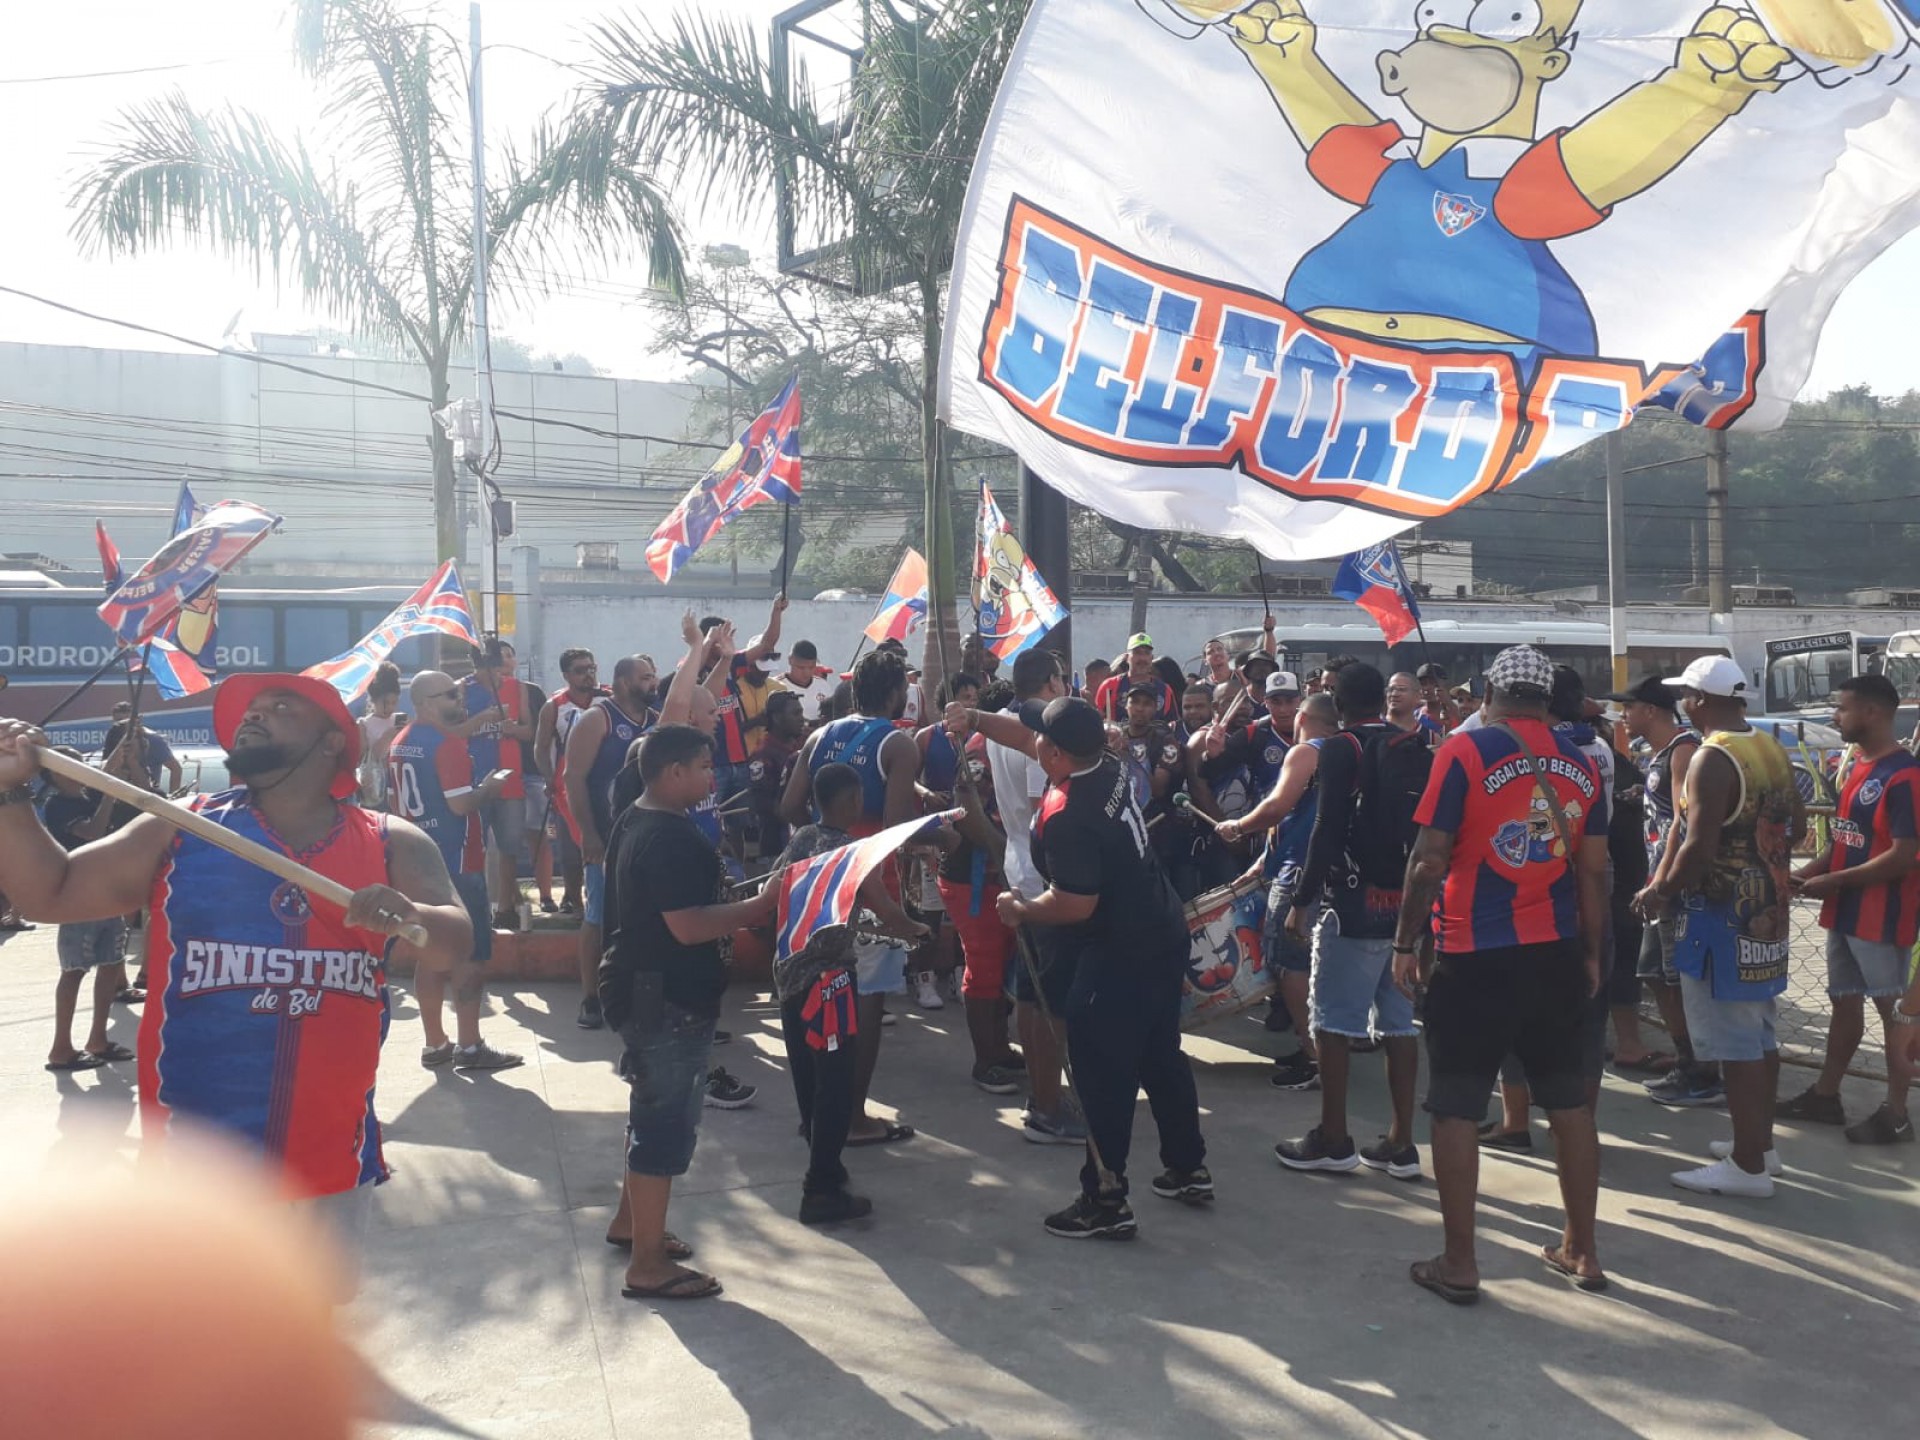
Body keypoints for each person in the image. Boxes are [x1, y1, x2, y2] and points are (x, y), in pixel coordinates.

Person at [0, 676, 475, 1237]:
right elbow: (51, 893)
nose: (254, 715)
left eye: (279, 707)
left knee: (312, 1323)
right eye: (251, 709)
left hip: (331, 1162)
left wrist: (413, 917)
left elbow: (455, 943)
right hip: (193, 1173)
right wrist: (10, 794)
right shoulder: (180, 827)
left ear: (331, 743)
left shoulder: (391, 839)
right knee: (201, 1325)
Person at [1393, 645, 1610, 1303]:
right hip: (1556, 951)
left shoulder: (1462, 754)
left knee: (1456, 1106)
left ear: (1490, 691)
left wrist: (1406, 942)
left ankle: (1461, 1262)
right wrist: (1593, 953)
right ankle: (1582, 1248)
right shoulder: (1581, 763)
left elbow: (1431, 861)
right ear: (1546, 701)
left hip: (1473, 955)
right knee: (1570, 1104)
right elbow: (1592, 870)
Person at [987, 697, 1209, 1240]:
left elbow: (1074, 904)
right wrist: (973, 722)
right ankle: (1187, 1167)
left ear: (1057, 753)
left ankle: (1105, 1196)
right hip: (1160, 928)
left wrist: (1021, 910)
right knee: (1161, 1054)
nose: (1031, 740)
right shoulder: (1105, 765)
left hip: (1119, 952)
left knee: (1101, 1074)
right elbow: (1023, 738)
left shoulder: (1069, 816)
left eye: (1042, 738)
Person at [597, 725, 775, 1299]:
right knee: (664, 1126)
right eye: (702, 767)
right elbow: (689, 924)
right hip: (666, 997)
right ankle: (648, 1265)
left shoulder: (635, 813)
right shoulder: (668, 836)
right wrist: (761, 905)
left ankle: (631, 1224)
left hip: (644, 988)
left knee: (648, 1111)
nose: (710, 777)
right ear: (673, 773)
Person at [1639, 655, 1802, 1198]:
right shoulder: (1767, 747)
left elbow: (1698, 847)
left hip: (1721, 920)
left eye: (1685, 694)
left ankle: (1748, 1166)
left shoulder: (1712, 758)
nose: (1682, 702)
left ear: (1701, 699)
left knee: (1736, 1048)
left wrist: (1659, 893)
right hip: (1767, 918)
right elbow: (1797, 826)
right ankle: (1761, 1146)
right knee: (1760, 1035)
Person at [1277, 664, 1429, 1179]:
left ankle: (1333, 1138)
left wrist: (1303, 898)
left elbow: (1328, 825)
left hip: (1354, 901)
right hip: (1405, 907)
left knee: (1333, 1022)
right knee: (1398, 1024)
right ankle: (1401, 1142)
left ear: (1338, 706)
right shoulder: (1412, 744)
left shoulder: (1342, 749)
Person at [770, 763, 930, 1223]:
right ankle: (820, 1189)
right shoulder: (850, 852)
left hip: (789, 974)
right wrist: (916, 929)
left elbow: (775, 892)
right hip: (830, 982)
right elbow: (885, 908)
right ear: (853, 801)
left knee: (806, 1074)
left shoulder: (800, 839)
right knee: (837, 1081)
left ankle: (825, 1161)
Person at [780, 648, 923, 1145]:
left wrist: (825, 843)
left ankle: (815, 1111)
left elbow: (788, 805)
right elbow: (896, 830)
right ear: (895, 693)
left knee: (816, 990)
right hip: (869, 883)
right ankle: (853, 1117)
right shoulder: (898, 745)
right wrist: (942, 835)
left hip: (815, 880)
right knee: (864, 998)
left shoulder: (820, 735)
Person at [1781, 673, 1920, 1144]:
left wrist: (1830, 881)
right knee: (1844, 1003)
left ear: (1873, 712)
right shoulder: (1859, 765)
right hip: (1845, 911)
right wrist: (1806, 874)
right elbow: (1845, 842)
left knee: (1895, 1014)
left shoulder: (1904, 776)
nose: (1835, 716)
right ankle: (1825, 1095)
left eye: (1842, 708)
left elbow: (1903, 856)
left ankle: (1897, 1113)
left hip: (1881, 915)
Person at [963, 649, 1087, 1144]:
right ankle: (1048, 1103)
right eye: (1061, 680)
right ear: (1052, 684)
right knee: (1047, 999)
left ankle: (1045, 1097)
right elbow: (1046, 810)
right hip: (1041, 870)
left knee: (1035, 992)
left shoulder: (1001, 723)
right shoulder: (1041, 733)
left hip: (1021, 864)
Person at [388, 672, 524, 1072]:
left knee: (429, 955)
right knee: (469, 956)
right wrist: (490, 788)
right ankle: (469, 1046)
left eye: (458, 692)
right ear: (426, 702)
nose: (459, 698)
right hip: (458, 863)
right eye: (450, 694)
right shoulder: (446, 744)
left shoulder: (400, 741)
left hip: (417, 863)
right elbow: (461, 807)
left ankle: (435, 1044)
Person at [1218, 692, 1338, 1091]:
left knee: (1289, 963)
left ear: (1303, 716)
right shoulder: (1346, 751)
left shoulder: (1304, 752)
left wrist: (1238, 827)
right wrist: (1260, 865)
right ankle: (1319, 1050)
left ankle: (1314, 1056)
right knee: (1314, 964)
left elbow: (1276, 808)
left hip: (1297, 873)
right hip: (1325, 871)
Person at [1609, 675, 1715, 1106]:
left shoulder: (1682, 751)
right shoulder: (1660, 755)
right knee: (1656, 973)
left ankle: (1702, 1071)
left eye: (1629, 709)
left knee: (1674, 976)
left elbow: (1682, 822)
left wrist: (1661, 884)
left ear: (1650, 710)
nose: (1624, 717)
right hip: (1660, 881)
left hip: (1672, 886)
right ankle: (1688, 1061)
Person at [563, 654, 659, 1030]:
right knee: (597, 916)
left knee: (640, 919)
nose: (652, 683)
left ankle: (634, 994)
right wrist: (588, 834)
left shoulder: (655, 722)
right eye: (645, 677)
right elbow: (573, 779)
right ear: (621, 682)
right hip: (605, 838)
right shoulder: (597, 719)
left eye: (653, 677)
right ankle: (590, 997)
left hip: (646, 840)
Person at [40, 749, 130, 1072]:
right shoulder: (58, 805)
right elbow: (92, 832)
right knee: (75, 970)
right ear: (55, 772)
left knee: (110, 964)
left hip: (108, 895)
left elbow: (108, 769)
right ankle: (61, 1047)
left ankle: (98, 1040)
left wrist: (124, 749)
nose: (81, 766)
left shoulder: (88, 794)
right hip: (80, 898)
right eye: (72, 762)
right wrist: (107, 795)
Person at [458, 639, 534, 931]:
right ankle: (476, 906)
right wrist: (481, 719)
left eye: (500, 670)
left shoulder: (518, 688)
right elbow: (452, 731)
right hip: (475, 778)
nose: (497, 677)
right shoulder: (462, 688)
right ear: (478, 667)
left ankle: (505, 907)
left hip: (510, 778)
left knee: (510, 847)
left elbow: (530, 731)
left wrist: (515, 729)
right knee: (474, 847)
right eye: (491, 671)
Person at [706, 598, 787, 831]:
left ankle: (739, 868)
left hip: (739, 763)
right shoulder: (692, 670)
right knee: (713, 825)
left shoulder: (732, 664)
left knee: (742, 826)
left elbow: (767, 644)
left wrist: (776, 611)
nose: (729, 641)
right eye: (723, 637)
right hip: (713, 765)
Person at [535, 647, 604, 918]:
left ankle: (600, 896)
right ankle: (573, 898)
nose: (588, 675)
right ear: (566, 675)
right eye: (580, 670)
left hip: (603, 778)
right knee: (571, 846)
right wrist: (548, 777)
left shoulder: (607, 699)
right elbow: (540, 748)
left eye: (591, 668)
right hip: (568, 782)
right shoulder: (554, 706)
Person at [501, 643, 557, 915]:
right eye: (498, 656)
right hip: (500, 775)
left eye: (509, 654)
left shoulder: (532, 691)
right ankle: (510, 898)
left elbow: (542, 732)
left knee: (538, 836)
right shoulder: (484, 691)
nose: (504, 660)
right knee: (504, 843)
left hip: (531, 772)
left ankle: (546, 896)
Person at [742, 690, 809, 871]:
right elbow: (764, 805)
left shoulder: (801, 746)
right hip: (777, 849)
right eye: (796, 714)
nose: (802, 719)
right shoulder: (763, 755)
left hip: (801, 840)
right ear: (778, 718)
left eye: (801, 713)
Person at [103, 699, 183, 794]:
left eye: (127, 722)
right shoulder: (113, 738)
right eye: (119, 722)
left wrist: (173, 798)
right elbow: (106, 768)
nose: (123, 726)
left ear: (137, 721)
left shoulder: (153, 740)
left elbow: (175, 768)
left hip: (145, 793)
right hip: (118, 793)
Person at [1094, 634, 1176, 723]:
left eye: (1146, 653)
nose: (1142, 658)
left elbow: (1172, 724)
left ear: (1151, 658)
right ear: (1127, 658)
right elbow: (1097, 721)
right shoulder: (1109, 686)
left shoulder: (1165, 690)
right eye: (1137, 653)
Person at [356, 662, 405, 808]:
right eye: (385, 703)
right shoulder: (364, 724)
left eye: (394, 702)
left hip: (399, 782)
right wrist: (387, 737)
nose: (390, 707)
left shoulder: (398, 720)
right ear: (374, 700)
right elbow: (365, 760)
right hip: (376, 787)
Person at [776, 639, 839, 725]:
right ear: (790, 660)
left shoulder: (823, 685)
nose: (806, 673)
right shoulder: (777, 686)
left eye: (811, 667)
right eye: (801, 668)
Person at [1416, 663, 1460, 737]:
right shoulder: (1415, 717)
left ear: (1446, 685)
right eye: (1423, 684)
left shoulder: (1461, 711)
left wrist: (1449, 703)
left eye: (1434, 683)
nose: (1427, 688)